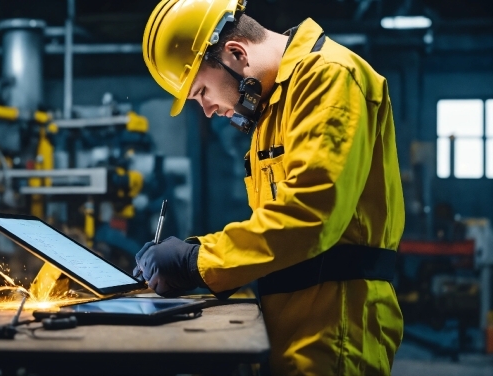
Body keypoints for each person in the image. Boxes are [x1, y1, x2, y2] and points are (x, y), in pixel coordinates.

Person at [134, 0, 405, 374]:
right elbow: (275, 226)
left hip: (335, 328)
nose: (208, 109)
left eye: (200, 92)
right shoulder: (273, 105)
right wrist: (197, 254)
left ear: (235, 52)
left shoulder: (329, 78)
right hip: (295, 326)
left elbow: (309, 216)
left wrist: (196, 262)